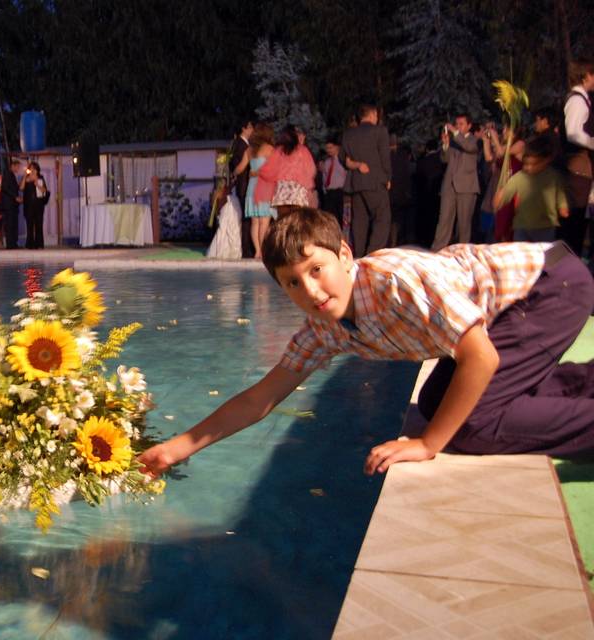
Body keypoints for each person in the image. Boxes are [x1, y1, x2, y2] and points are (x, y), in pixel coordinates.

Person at [139, 207, 594, 480]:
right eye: (293, 284)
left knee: (471, 428)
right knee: (438, 401)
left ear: (344, 255)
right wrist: (175, 449)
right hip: (516, 306)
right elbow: (262, 397)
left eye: (316, 270)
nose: (311, 292)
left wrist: (427, 446)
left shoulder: (397, 283)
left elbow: (481, 356)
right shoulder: (324, 328)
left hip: (549, 288)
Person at [493, 135, 569, 242]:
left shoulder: (553, 177)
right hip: (522, 226)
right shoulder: (520, 177)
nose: (529, 168)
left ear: (547, 160)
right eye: (526, 164)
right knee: (521, 255)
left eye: (534, 164)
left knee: (541, 256)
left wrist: (563, 208)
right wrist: (500, 198)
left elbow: (560, 196)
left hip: (545, 227)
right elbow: (506, 193)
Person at [341, 104, 392, 257]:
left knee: (359, 221)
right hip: (375, 181)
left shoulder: (348, 134)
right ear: (372, 115)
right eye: (376, 116)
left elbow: (343, 158)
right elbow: (385, 157)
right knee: (382, 218)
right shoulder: (380, 131)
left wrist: (354, 165)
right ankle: (372, 254)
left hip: (356, 184)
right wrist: (387, 177)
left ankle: (359, 254)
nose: (377, 119)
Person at [560, 59, 594, 256]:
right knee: (573, 225)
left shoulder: (583, 100)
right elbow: (573, 132)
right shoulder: (576, 100)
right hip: (576, 169)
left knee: (578, 225)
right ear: (585, 76)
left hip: (581, 168)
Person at [432, 113, 481, 250]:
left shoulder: (474, 140)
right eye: (457, 124)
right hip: (449, 186)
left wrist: (454, 131)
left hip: (467, 187)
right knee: (444, 220)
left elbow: (469, 148)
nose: (458, 127)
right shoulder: (454, 141)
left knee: (464, 223)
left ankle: (462, 251)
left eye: (461, 124)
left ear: (469, 126)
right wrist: (446, 145)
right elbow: (445, 159)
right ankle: (437, 249)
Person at [259, 124, 317, 209]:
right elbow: (311, 170)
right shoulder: (302, 150)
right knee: (298, 220)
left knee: (284, 220)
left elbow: (268, 170)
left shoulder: (278, 151)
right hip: (298, 192)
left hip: (282, 192)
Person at [244, 122, 277, 260]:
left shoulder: (249, 150)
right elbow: (275, 169)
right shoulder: (270, 149)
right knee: (264, 221)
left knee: (255, 222)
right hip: (265, 187)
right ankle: (263, 250)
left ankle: (257, 251)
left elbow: (240, 168)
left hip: (252, 187)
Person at [229, 120, 255, 258]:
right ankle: (246, 250)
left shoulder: (245, 144)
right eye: (250, 127)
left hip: (247, 183)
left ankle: (248, 248)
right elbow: (236, 166)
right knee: (247, 218)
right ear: (243, 128)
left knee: (248, 218)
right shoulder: (240, 144)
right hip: (244, 184)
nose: (252, 130)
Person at [318, 137, 347, 228]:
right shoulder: (327, 162)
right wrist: (324, 190)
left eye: (331, 148)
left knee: (341, 217)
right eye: (327, 148)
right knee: (330, 218)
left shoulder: (343, 161)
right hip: (329, 193)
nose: (328, 150)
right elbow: (325, 177)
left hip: (340, 192)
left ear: (337, 147)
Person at [21, 161, 50, 249]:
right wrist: (25, 176)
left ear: (37, 170)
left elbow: (45, 190)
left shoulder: (40, 178)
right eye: (31, 168)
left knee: (39, 224)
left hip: (38, 205)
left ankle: (39, 244)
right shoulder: (26, 178)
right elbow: (21, 188)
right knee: (29, 225)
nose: (32, 170)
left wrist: (37, 184)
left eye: (34, 169)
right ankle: (30, 244)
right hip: (29, 205)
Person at [0, 157, 22, 249]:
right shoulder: (8, 174)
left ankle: (13, 243)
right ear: (13, 166)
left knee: (12, 224)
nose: (18, 169)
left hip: (12, 205)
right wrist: (15, 197)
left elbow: (13, 188)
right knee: (9, 224)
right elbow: (5, 188)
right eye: (17, 167)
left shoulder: (11, 175)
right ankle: (10, 244)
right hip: (9, 205)